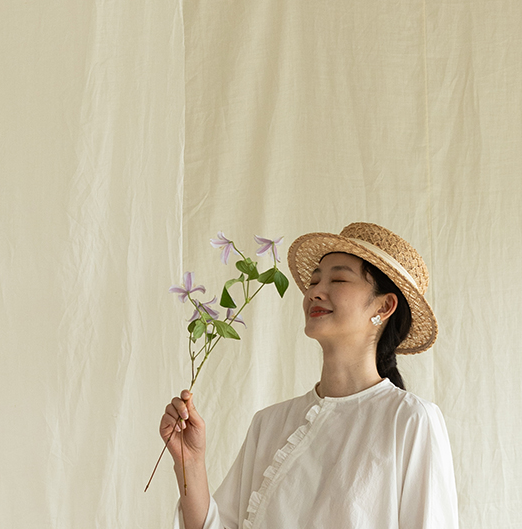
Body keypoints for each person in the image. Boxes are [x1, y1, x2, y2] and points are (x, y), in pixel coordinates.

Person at [160, 222, 459, 529]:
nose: (315, 292)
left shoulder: (409, 420)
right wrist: (189, 463)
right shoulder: (269, 424)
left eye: (338, 279)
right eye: (314, 281)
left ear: (384, 306)